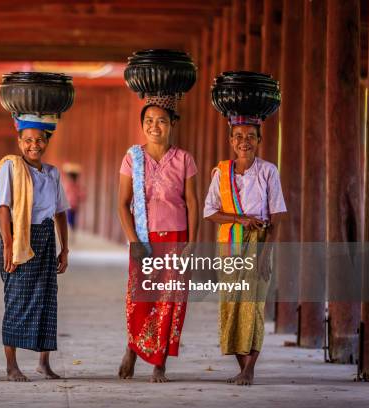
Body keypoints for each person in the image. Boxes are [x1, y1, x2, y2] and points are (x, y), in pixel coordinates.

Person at [117, 95, 199, 383]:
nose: (154, 126)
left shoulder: (184, 159)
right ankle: (133, 348)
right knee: (140, 300)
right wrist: (134, 241)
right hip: (143, 239)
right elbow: (123, 203)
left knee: (170, 301)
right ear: (142, 125)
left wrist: (192, 242)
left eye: (161, 121)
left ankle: (159, 363)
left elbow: (191, 201)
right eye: (149, 121)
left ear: (172, 124)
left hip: (176, 238)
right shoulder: (132, 158)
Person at [203, 115, 287, 386]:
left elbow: (277, 216)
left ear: (260, 141)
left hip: (258, 242)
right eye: (238, 136)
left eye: (251, 137)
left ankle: (250, 369)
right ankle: (243, 367)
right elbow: (210, 212)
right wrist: (239, 219)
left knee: (253, 304)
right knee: (232, 303)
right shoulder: (221, 174)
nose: (244, 142)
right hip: (229, 242)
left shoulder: (268, 171)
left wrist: (264, 255)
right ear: (230, 141)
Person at [0, 113, 70, 382]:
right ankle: (11, 365)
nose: (34, 145)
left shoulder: (53, 173)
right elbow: (2, 207)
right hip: (19, 236)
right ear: (19, 141)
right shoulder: (10, 167)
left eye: (39, 140)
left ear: (47, 141)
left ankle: (43, 363)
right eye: (28, 140)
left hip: (46, 236)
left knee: (47, 298)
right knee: (17, 298)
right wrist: (8, 246)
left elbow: (60, 212)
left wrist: (65, 248)